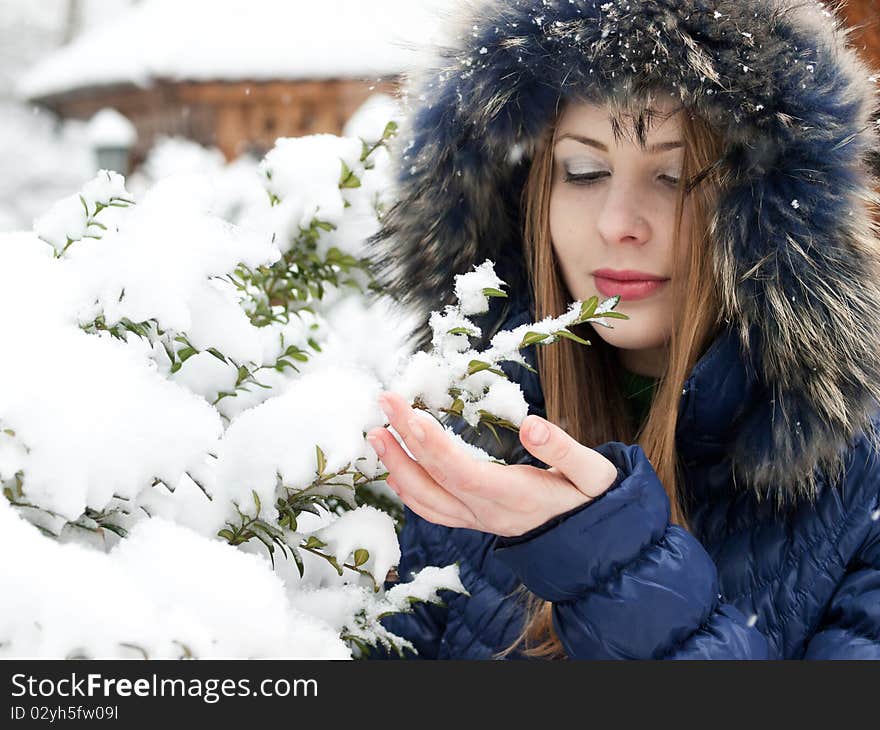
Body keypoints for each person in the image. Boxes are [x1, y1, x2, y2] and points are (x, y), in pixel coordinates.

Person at [363, 0, 880, 659]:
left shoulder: (859, 482)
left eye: (673, 177)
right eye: (584, 171)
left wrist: (606, 563)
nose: (619, 222)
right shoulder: (460, 443)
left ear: (763, 216)